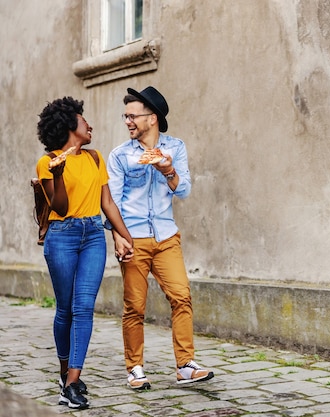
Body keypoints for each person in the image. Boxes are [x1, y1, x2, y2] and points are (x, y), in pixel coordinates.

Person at [107, 86, 213, 389]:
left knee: (181, 297)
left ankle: (185, 366)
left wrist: (168, 170)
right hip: (134, 238)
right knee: (134, 307)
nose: (127, 121)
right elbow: (112, 202)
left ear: (151, 118)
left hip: (166, 237)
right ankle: (135, 368)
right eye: (125, 116)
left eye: (132, 116)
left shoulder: (175, 148)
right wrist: (118, 237)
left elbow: (184, 190)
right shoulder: (120, 156)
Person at [36, 97, 134, 409]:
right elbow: (60, 208)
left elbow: (107, 203)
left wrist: (125, 235)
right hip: (62, 236)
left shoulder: (94, 158)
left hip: (93, 235)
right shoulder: (47, 162)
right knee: (65, 309)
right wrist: (60, 174)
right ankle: (65, 373)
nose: (89, 125)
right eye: (82, 120)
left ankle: (73, 381)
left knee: (83, 308)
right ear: (68, 126)